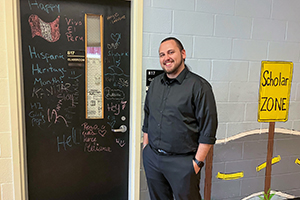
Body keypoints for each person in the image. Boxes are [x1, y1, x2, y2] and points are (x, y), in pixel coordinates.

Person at [142, 37, 218, 200]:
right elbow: (148, 116)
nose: (166, 58)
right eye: (162, 54)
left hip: (182, 163)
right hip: (153, 159)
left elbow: (208, 129)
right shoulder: (155, 84)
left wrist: (196, 163)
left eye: (171, 52)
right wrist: (145, 149)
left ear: (183, 54)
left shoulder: (199, 87)